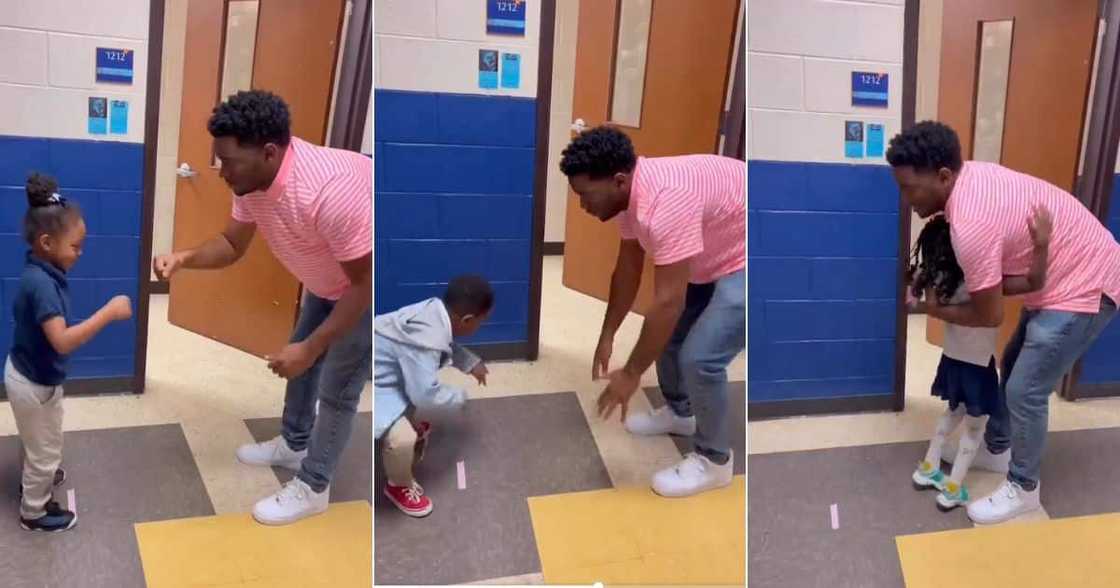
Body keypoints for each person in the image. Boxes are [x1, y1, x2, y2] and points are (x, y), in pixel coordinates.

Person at [152, 90, 372, 525]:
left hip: (369, 288)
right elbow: (233, 244)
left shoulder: (329, 193)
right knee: (300, 353)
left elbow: (366, 283)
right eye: (219, 160)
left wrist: (313, 346)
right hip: (329, 280)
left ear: (269, 153)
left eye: (229, 162)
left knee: (337, 388)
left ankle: (314, 487)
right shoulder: (250, 181)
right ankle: (294, 443)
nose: (221, 172)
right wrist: (184, 258)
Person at [887, 121, 1120, 524]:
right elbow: (996, 289)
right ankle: (997, 448)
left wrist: (934, 311)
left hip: (1085, 284)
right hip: (1055, 281)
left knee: (1025, 391)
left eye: (910, 188)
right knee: (1013, 369)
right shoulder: (968, 177)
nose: (905, 198)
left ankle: (1024, 487)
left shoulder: (969, 225)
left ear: (943, 176)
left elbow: (988, 313)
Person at [559, 126, 746, 497]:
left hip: (753, 253)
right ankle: (682, 413)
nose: (582, 206)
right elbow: (628, 268)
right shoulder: (631, 196)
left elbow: (668, 302)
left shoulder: (666, 202)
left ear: (617, 180)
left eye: (585, 195)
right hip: (718, 246)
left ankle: (715, 461)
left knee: (700, 358)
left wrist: (630, 374)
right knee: (670, 340)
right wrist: (608, 332)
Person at [7, 173, 133, 532]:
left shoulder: (40, 270)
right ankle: (34, 511)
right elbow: (61, 340)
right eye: (75, 246)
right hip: (34, 383)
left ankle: (36, 475)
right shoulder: (42, 285)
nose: (81, 253)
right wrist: (108, 313)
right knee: (46, 448)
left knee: (37, 439)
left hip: (30, 375)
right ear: (47, 242)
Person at [907, 212, 1050, 510]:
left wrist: (918, 284)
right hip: (978, 368)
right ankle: (953, 489)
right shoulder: (981, 282)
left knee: (951, 413)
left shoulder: (938, 281)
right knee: (974, 430)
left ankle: (929, 468)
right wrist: (1040, 245)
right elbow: (1033, 281)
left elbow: (921, 281)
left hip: (951, 363)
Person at [373, 275, 491, 517]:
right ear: (467, 320)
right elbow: (425, 395)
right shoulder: (427, 338)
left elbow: (442, 346)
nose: (480, 326)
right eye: (481, 322)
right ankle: (399, 486)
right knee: (403, 439)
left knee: (413, 389)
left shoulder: (433, 312)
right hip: (374, 385)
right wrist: (459, 397)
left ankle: (401, 425)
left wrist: (470, 363)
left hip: (384, 372)